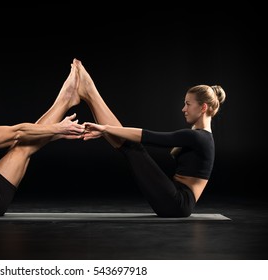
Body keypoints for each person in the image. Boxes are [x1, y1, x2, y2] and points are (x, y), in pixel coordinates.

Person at [74, 58, 226, 217]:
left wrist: (106, 128)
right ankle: (89, 93)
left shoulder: (198, 137)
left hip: (177, 204)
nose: (183, 109)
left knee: (134, 148)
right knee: (131, 148)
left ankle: (90, 93)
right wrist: (107, 131)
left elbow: (150, 137)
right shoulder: (201, 136)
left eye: (188, 104)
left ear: (203, 107)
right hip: (176, 201)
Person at [0, 63, 84, 217]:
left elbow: (14, 139)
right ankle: (66, 98)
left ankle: (66, 98)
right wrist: (58, 128)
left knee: (23, 144)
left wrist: (56, 135)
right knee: (22, 147)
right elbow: (18, 132)